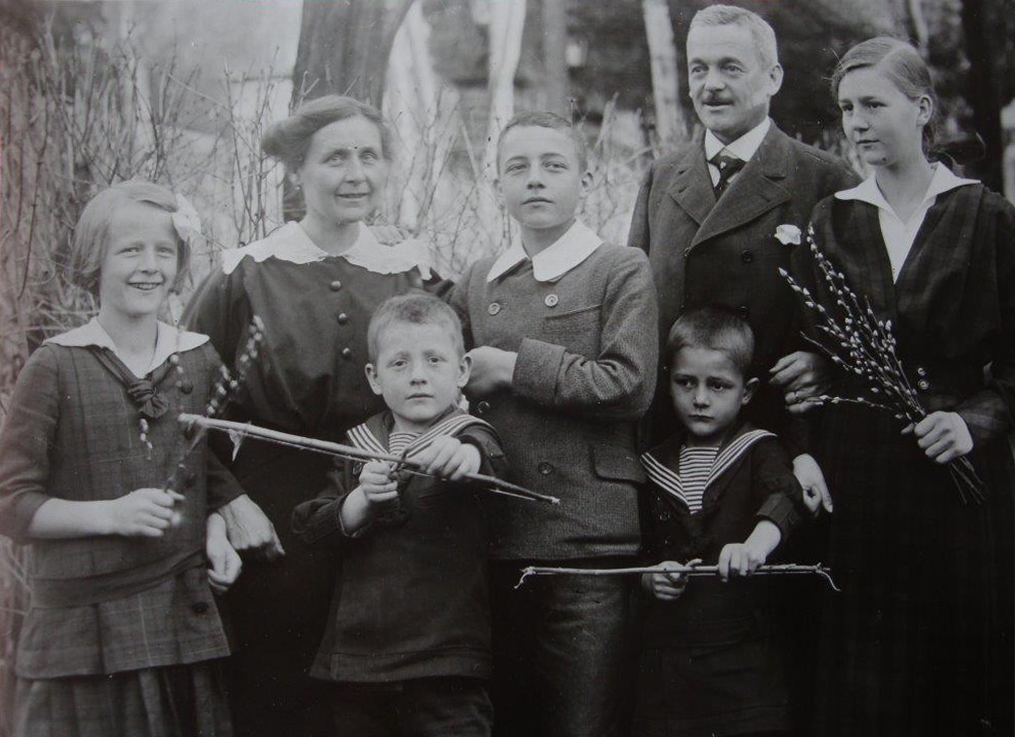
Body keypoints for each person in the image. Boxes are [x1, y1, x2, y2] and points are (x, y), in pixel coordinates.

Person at [184, 95, 439, 736]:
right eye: (335, 158)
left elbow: (450, 383)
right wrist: (227, 498)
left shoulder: (413, 269)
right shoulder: (247, 274)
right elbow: (185, 403)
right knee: (279, 690)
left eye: (369, 156)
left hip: (390, 503)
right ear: (297, 171)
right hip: (276, 516)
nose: (356, 173)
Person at [801, 37, 1015, 736]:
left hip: (958, 476)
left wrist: (973, 420)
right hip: (859, 477)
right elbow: (816, 357)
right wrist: (808, 412)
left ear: (921, 109)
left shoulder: (985, 217)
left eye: (873, 104)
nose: (855, 122)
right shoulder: (832, 219)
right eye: (845, 108)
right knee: (870, 681)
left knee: (961, 670)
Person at [0, 181, 244, 737]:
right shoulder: (56, 366)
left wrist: (214, 528)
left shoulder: (198, 359)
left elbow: (204, 470)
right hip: (84, 639)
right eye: (130, 250)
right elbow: (11, 504)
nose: (149, 266)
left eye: (164, 251)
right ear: (94, 261)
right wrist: (111, 515)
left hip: (182, 625)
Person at [449, 111, 659, 737]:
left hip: (585, 539)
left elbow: (629, 384)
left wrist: (513, 369)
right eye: (517, 167)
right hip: (497, 533)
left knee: (581, 722)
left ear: (586, 179)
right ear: (496, 185)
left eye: (553, 165)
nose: (535, 181)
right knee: (509, 718)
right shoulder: (478, 277)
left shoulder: (620, 267)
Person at [628, 4, 857, 501]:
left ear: (773, 77)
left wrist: (828, 361)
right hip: (677, 443)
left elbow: (863, 315)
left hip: (782, 437)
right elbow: (637, 314)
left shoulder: (826, 180)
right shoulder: (661, 179)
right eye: (698, 69)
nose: (711, 84)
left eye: (730, 67)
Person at [291, 294, 506, 736]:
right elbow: (311, 528)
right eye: (399, 364)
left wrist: (461, 455)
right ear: (374, 377)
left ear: (462, 371)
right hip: (357, 662)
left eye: (434, 360)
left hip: (444, 662)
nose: (418, 377)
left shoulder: (469, 435)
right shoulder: (357, 446)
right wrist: (359, 502)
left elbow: (487, 461)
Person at [634, 306, 806, 737]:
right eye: (686, 383)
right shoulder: (653, 463)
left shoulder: (759, 449)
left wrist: (754, 545)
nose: (701, 399)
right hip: (670, 667)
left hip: (744, 664)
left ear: (747, 393)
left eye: (719, 385)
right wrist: (650, 578)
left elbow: (785, 497)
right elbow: (643, 549)